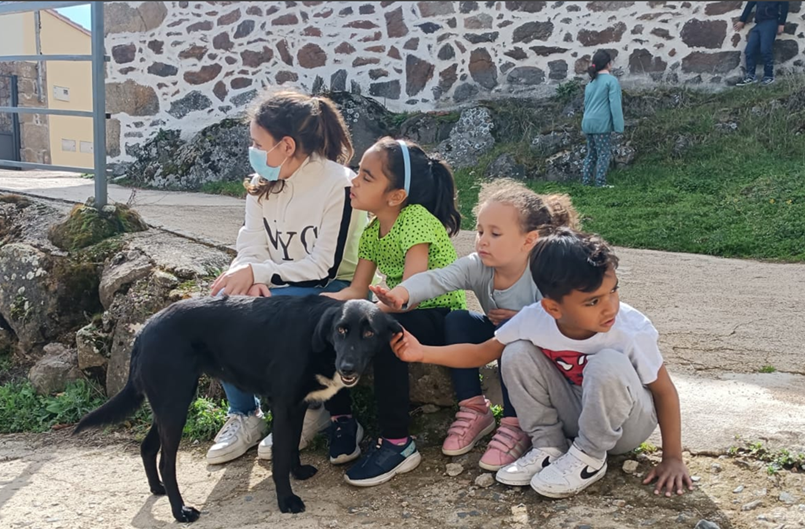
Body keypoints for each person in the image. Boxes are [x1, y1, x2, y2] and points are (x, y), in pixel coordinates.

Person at [391, 229, 693, 499]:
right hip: (574, 418)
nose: (609, 307)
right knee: (515, 351)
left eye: (612, 292)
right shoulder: (535, 318)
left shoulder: (629, 329)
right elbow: (481, 353)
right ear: (552, 307)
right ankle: (549, 448)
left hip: (625, 426)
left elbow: (664, 392)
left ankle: (588, 458)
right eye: (593, 301)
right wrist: (421, 352)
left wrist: (673, 457)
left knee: (606, 364)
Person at [205, 90, 368, 467]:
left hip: (328, 289)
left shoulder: (339, 185)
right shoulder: (262, 183)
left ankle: (308, 410)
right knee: (224, 306)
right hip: (278, 284)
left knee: (282, 313)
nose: (253, 150)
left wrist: (260, 274)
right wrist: (245, 275)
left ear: (287, 145)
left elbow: (323, 266)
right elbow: (251, 244)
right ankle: (244, 415)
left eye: (258, 143)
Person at [372, 179, 579, 472]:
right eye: (480, 231)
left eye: (495, 234)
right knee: (458, 320)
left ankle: (515, 422)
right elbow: (436, 279)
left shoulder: (545, 269)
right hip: (496, 337)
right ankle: (474, 409)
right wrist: (400, 295)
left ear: (528, 240)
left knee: (516, 343)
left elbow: (569, 319)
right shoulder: (478, 265)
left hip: (537, 352)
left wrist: (526, 320)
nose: (482, 240)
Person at [323, 137, 465, 487]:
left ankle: (398, 442)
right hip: (396, 307)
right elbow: (357, 289)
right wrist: (317, 305)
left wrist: (376, 308)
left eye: (366, 177)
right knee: (332, 325)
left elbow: (414, 291)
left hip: (437, 312)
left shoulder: (415, 219)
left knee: (386, 338)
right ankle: (341, 418)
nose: (353, 181)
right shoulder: (371, 232)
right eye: (358, 172)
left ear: (396, 196)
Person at [581, 50, 623, 188]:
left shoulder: (590, 83)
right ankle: (600, 183)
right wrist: (619, 126)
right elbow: (615, 104)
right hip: (601, 124)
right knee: (603, 154)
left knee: (591, 154)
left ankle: (586, 182)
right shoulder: (611, 81)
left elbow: (586, 104)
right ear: (608, 64)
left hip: (588, 123)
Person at [735, 2, 790, 86]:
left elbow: (785, 5)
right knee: (749, 50)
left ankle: (769, 76)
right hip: (759, 23)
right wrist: (742, 20)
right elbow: (750, 5)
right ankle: (751, 76)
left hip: (771, 22)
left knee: (765, 49)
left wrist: (781, 23)